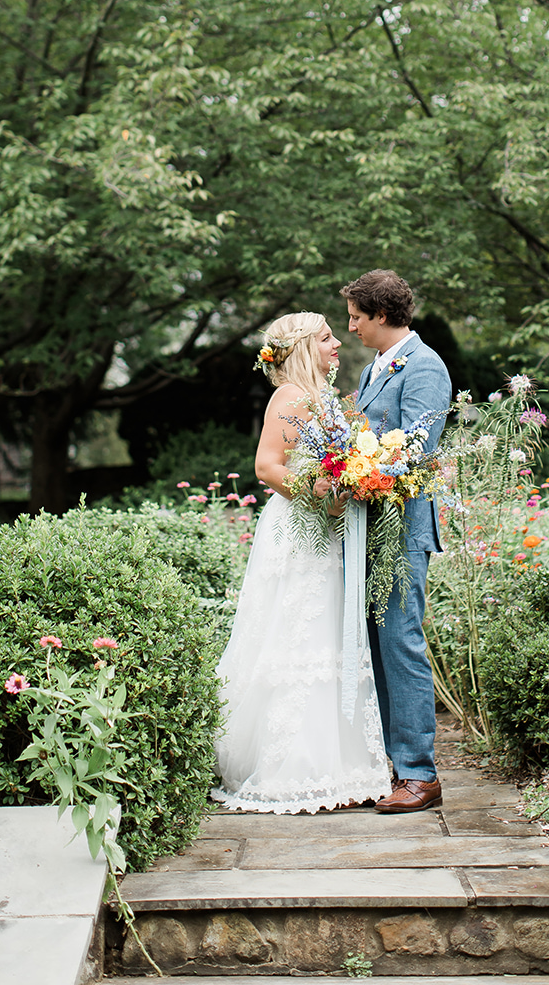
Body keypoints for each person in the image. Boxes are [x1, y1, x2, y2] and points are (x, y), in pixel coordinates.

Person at [212, 311, 390, 813]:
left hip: (324, 530)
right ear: (304, 348)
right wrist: (320, 497)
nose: (338, 343)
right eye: (327, 337)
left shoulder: (320, 398)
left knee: (328, 634)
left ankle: (335, 763)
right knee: (300, 633)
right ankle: (296, 766)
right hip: (300, 530)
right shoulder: (289, 396)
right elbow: (266, 466)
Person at [341, 269, 451, 814]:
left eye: (358, 317)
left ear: (382, 315)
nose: (353, 328)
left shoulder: (425, 366)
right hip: (368, 522)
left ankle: (419, 774)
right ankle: (388, 762)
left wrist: (356, 469)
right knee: (374, 646)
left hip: (402, 527)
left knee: (400, 641)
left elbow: (415, 450)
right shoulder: (373, 370)